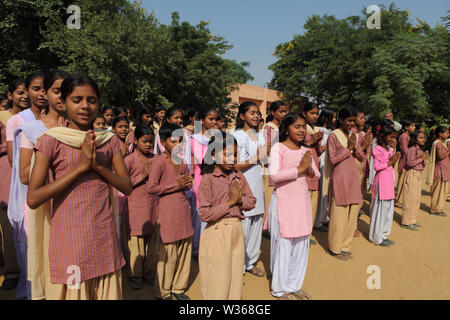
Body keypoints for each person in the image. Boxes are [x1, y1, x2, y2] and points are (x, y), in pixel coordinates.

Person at [27, 74, 132, 300]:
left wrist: (99, 167)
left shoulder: (108, 140)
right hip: (70, 241)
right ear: (63, 103)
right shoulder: (51, 140)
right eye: (77, 100)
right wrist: (81, 168)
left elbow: (127, 187)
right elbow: (33, 198)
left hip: (104, 237)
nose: (85, 106)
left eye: (92, 100)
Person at [197, 132, 256, 300]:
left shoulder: (238, 175)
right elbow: (205, 214)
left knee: (235, 278)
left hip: (237, 230)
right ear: (214, 154)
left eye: (235, 154)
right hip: (217, 232)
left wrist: (239, 200)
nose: (232, 159)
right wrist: (230, 203)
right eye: (227, 154)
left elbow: (252, 201)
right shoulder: (208, 179)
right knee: (218, 280)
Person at [268, 113, 319, 300]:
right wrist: (299, 170)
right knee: (284, 244)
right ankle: (280, 289)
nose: (302, 130)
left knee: (301, 244)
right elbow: (274, 175)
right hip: (283, 201)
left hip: (301, 201)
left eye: (303, 126)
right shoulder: (278, 148)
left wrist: (310, 170)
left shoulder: (305, 150)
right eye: (297, 126)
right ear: (286, 129)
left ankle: (294, 284)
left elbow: (317, 174)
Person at [6, 72, 46, 299]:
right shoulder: (18, 121)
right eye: (36, 88)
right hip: (27, 186)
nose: (41, 93)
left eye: (45, 89)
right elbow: (15, 161)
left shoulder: (60, 119)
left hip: (51, 187)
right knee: (29, 246)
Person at [147, 123, 194, 300]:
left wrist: (186, 183)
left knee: (184, 248)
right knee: (168, 251)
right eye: (174, 140)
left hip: (183, 209)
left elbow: (185, 184)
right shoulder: (159, 161)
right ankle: (164, 290)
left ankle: (179, 288)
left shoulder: (182, 161)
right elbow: (151, 188)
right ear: (163, 142)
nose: (179, 144)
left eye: (181, 140)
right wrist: (176, 185)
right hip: (167, 212)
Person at [233, 101, 266, 278]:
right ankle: (237, 265)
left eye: (258, 113)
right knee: (243, 226)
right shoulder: (236, 136)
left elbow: (265, 161)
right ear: (241, 116)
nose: (256, 116)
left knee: (256, 224)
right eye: (252, 112)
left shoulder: (259, 136)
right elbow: (234, 165)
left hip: (258, 185)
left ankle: (250, 262)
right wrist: (256, 158)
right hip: (243, 185)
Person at [0, 78, 27, 291]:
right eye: (20, 92)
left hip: (30, 174)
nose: (25, 96)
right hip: (7, 173)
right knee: (10, 224)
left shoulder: (38, 118)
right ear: (10, 95)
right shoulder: (3, 120)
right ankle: (12, 271)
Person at [325, 107, 363, 261]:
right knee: (339, 214)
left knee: (352, 213)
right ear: (340, 120)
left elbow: (360, 156)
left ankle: (346, 246)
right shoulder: (334, 136)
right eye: (349, 121)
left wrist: (362, 145)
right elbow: (333, 159)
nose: (351, 124)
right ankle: (335, 247)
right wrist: (349, 148)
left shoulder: (354, 135)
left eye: (353, 121)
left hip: (353, 177)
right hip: (340, 177)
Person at [124, 124, 157, 290]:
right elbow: (124, 185)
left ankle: (148, 272)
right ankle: (135, 275)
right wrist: (142, 176)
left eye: (151, 142)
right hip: (135, 205)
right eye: (145, 141)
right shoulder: (129, 160)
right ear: (135, 140)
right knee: (136, 242)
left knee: (151, 242)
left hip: (153, 205)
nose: (149, 145)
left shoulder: (156, 158)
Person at [190, 107, 218, 257]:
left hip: (216, 180)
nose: (214, 122)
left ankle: (209, 248)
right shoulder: (195, 140)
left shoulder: (217, 137)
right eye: (210, 119)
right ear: (202, 121)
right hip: (201, 180)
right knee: (200, 216)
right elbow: (203, 159)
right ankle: (197, 250)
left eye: (216, 119)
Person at [369, 125, 400, 246]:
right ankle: (376, 237)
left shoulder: (389, 149)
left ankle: (384, 234)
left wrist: (393, 158)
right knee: (380, 210)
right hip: (381, 182)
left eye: (394, 137)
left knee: (388, 210)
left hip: (389, 182)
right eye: (391, 137)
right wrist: (390, 161)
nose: (393, 139)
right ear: (383, 136)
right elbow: (377, 166)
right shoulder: (377, 149)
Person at [262, 101, 287, 233]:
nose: (283, 114)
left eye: (285, 111)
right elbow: (265, 151)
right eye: (280, 111)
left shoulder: (282, 128)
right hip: (270, 169)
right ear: (272, 112)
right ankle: (266, 228)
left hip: (282, 169)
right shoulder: (269, 128)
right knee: (268, 199)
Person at [303, 102, 322, 245]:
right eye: (312, 113)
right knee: (305, 202)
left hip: (315, 167)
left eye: (316, 113)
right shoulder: (302, 129)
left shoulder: (315, 129)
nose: (315, 116)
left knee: (313, 202)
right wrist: (313, 140)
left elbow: (319, 151)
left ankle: (307, 232)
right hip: (306, 168)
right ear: (304, 114)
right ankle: (302, 232)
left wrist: (319, 142)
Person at [314, 108, 336, 232]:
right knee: (322, 189)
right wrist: (328, 143)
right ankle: (317, 221)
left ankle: (324, 217)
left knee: (326, 190)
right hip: (321, 162)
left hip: (328, 163)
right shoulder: (319, 131)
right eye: (332, 117)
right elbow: (319, 150)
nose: (334, 120)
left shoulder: (330, 132)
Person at [401, 131, 428, 231]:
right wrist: (421, 159)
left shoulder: (420, 149)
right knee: (410, 199)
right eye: (420, 137)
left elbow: (421, 162)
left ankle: (413, 219)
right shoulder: (411, 149)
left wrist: (423, 159)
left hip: (418, 175)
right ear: (415, 139)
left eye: (424, 137)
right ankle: (406, 221)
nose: (423, 139)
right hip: (412, 174)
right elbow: (410, 163)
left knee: (416, 199)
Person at [426, 126, 449, 217]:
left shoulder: (441, 143)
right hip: (440, 171)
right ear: (440, 134)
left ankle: (439, 208)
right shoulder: (438, 144)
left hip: (443, 170)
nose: (448, 134)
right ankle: (435, 209)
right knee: (438, 191)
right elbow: (441, 156)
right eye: (446, 133)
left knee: (441, 191)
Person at [395, 120, 415, 208]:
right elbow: (404, 150)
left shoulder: (408, 136)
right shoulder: (404, 136)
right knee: (402, 181)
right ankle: (399, 201)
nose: (414, 128)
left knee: (405, 181)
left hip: (407, 160)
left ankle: (401, 200)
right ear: (406, 127)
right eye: (412, 126)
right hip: (404, 161)